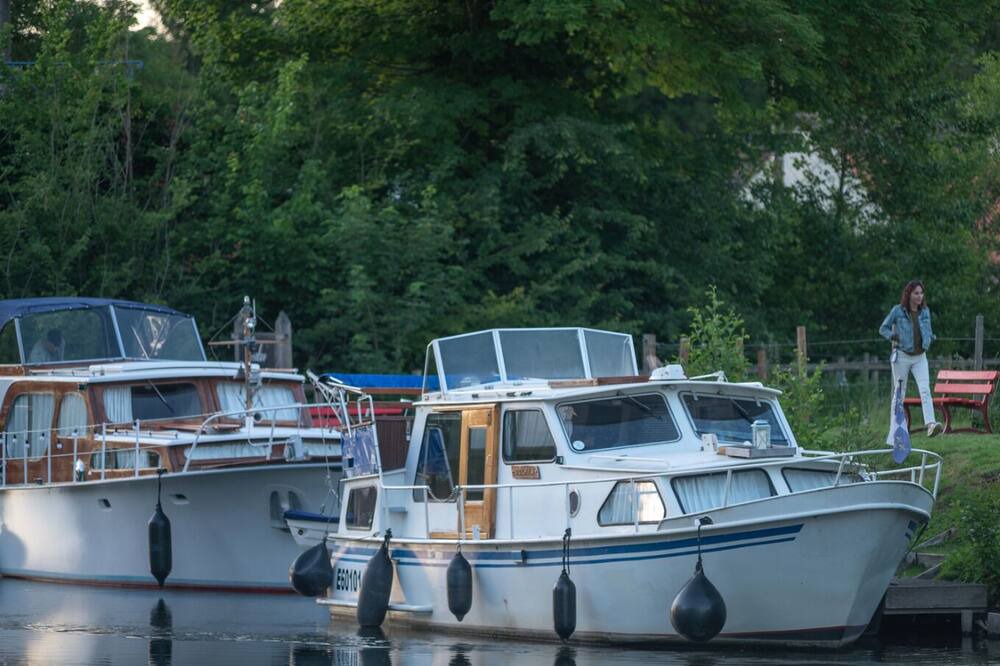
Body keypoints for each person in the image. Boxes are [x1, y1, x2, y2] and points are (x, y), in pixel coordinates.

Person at [878, 280, 943, 438]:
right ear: (909, 295)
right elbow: (883, 328)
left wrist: (930, 338)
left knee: (925, 389)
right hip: (902, 357)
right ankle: (895, 428)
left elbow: (927, 330)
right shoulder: (897, 311)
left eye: (921, 293)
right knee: (900, 392)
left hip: (920, 357)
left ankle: (930, 425)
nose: (919, 296)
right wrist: (892, 336)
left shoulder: (925, 311)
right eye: (916, 293)